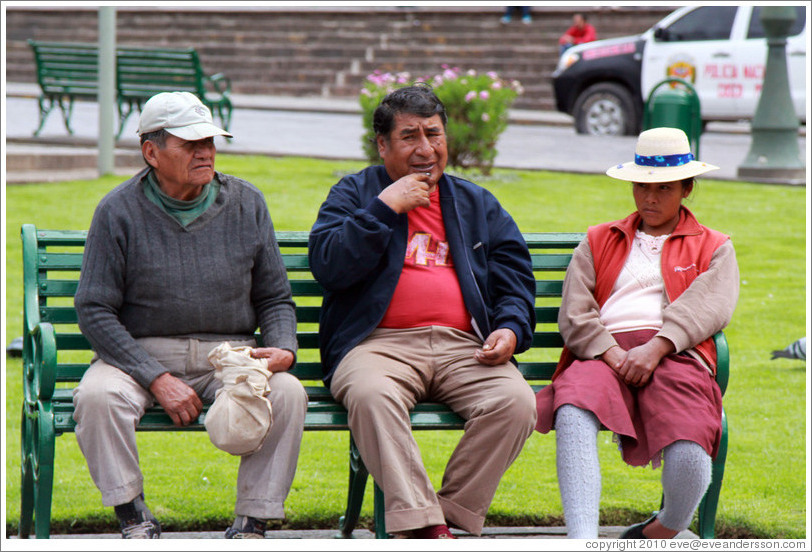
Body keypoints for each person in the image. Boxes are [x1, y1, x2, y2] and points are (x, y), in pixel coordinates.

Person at [73, 91, 307, 539]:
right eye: (190, 143)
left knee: (289, 393)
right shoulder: (117, 211)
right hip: (142, 355)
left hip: (232, 354)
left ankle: (253, 522)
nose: (205, 152)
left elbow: (275, 297)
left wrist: (282, 351)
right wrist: (155, 376)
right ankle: (133, 516)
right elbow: (94, 309)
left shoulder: (246, 202)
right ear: (151, 152)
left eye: (210, 142)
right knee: (98, 397)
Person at [308, 85, 537, 539]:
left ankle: (445, 516)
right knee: (373, 397)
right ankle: (421, 527)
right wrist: (385, 207)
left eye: (434, 134)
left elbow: (514, 279)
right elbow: (329, 265)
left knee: (515, 403)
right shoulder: (356, 193)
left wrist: (510, 329)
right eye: (409, 136)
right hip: (377, 346)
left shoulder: (476, 203)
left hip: (463, 348)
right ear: (383, 145)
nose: (425, 149)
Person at [535, 127, 740, 539]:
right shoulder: (597, 240)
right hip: (602, 353)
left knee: (689, 448)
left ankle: (664, 529)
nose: (649, 198)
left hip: (674, 354)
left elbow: (709, 306)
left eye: (663, 188)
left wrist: (656, 348)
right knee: (573, 411)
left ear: (686, 188)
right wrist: (612, 354)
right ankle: (582, 541)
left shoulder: (715, 247)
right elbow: (576, 314)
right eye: (642, 186)